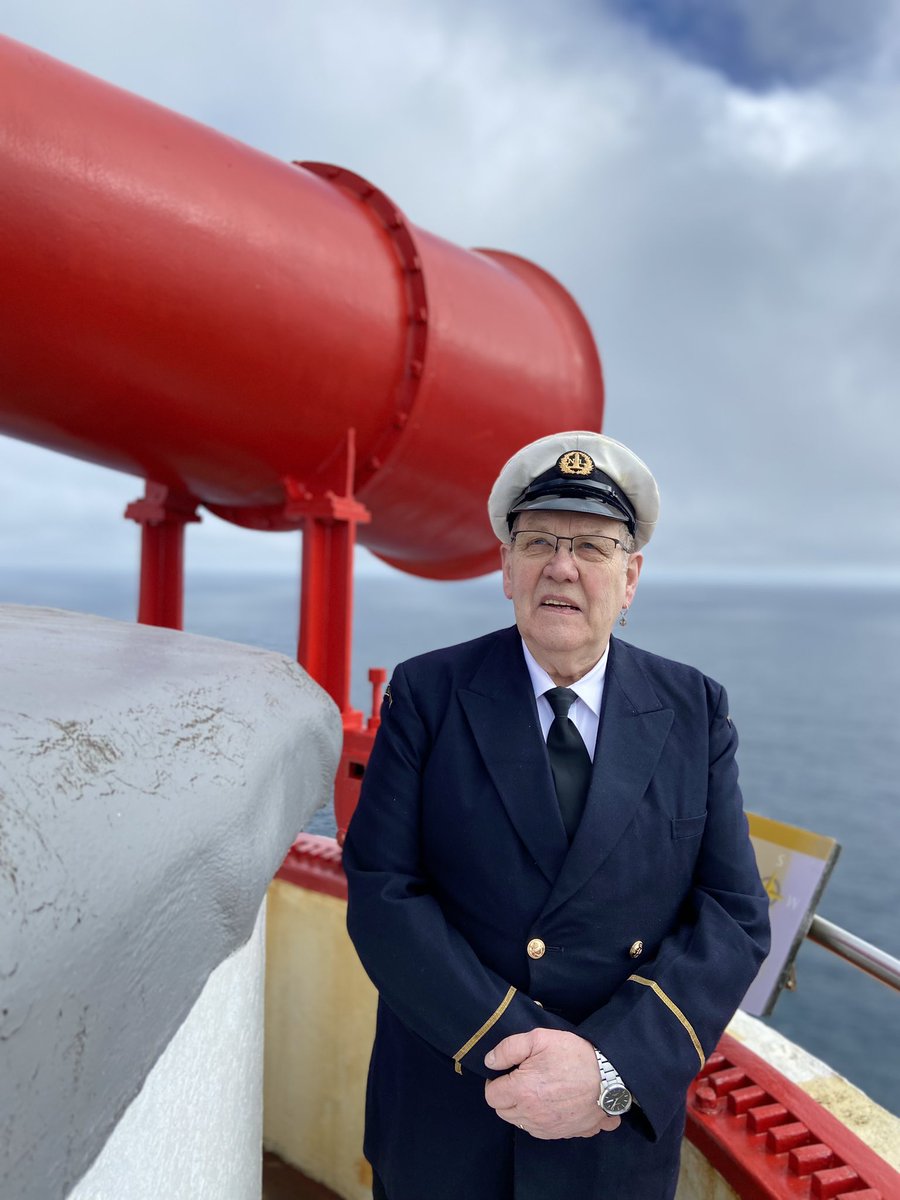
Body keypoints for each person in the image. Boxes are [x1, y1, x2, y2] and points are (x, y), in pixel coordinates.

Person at [343, 431, 770, 1200]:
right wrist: (523, 1055)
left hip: (610, 1138)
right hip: (449, 1114)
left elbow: (734, 916)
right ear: (505, 568)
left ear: (630, 577)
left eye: (594, 546)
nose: (562, 566)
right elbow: (381, 891)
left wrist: (606, 1070)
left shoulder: (694, 710)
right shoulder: (429, 695)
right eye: (537, 540)